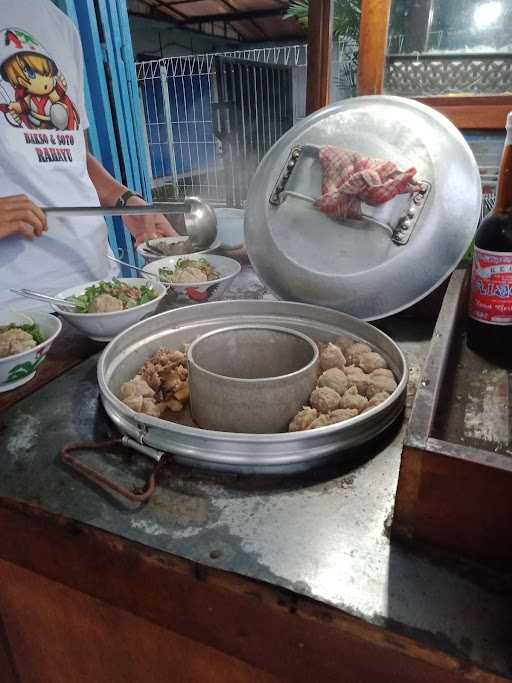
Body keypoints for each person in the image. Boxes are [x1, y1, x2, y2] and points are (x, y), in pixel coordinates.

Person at [0, 2, 176, 311]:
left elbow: (72, 151)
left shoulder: (60, 25)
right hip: (17, 310)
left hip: (98, 289)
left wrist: (121, 199)